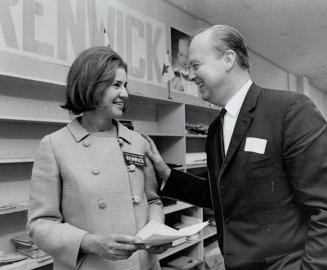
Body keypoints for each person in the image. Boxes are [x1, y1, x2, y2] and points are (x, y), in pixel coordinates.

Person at [144, 25, 327, 270]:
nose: (190, 75)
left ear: (228, 59)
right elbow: (223, 194)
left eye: (196, 65)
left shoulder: (289, 110)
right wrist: (168, 175)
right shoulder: (215, 130)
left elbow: (323, 207)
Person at [27, 46, 169, 270]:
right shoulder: (54, 145)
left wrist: (157, 229)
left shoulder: (138, 142)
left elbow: (153, 201)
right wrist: (91, 242)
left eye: (125, 85)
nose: (125, 93)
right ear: (91, 86)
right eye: (116, 85)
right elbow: (40, 224)